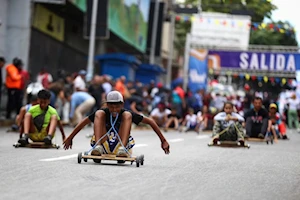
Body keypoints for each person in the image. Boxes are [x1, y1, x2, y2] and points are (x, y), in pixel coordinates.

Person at [63, 91, 170, 157]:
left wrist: (163, 141)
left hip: (120, 146)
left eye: (117, 107)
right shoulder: (104, 112)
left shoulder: (125, 112)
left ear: (122, 104)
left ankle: (123, 148)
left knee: (127, 115)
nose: (114, 110)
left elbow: (151, 121)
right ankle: (98, 147)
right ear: (107, 105)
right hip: (103, 144)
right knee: (99, 113)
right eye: (111, 107)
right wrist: (70, 138)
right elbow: (83, 123)